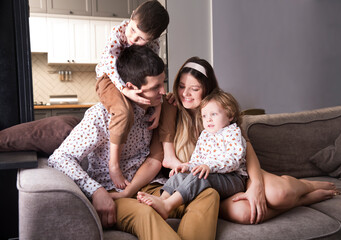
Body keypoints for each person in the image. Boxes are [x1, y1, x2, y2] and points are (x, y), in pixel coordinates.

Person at [48, 46, 220, 240]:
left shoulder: (155, 109)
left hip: (152, 186)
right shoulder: (102, 115)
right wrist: (96, 191)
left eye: (163, 83)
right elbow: (59, 158)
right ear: (130, 87)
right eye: (156, 88)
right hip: (114, 192)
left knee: (207, 194)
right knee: (145, 213)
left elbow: (156, 156)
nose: (163, 92)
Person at [158, 56, 340, 225]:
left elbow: (245, 150)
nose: (185, 94)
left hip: (235, 173)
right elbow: (168, 157)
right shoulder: (171, 107)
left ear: (207, 89)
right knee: (246, 213)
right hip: (204, 184)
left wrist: (256, 185)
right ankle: (304, 201)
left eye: (194, 89)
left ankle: (307, 186)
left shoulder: (220, 112)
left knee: (279, 194)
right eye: (181, 86)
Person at [138, 89, 249, 220]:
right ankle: (162, 200)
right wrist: (187, 166)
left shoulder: (232, 132)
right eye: (204, 116)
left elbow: (234, 160)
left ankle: (168, 206)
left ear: (230, 115)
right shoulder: (205, 135)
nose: (208, 120)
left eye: (214, 114)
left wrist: (209, 167)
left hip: (233, 178)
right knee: (180, 175)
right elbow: (197, 159)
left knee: (200, 176)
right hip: (212, 174)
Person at [95, 0, 169, 190]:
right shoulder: (118, 33)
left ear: (154, 38)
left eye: (141, 38)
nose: (133, 39)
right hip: (109, 79)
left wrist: (158, 105)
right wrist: (125, 90)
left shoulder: (153, 44)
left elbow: (152, 72)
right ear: (132, 15)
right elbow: (110, 66)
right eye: (133, 29)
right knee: (123, 112)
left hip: (132, 81)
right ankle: (114, 164)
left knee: (163, 103)